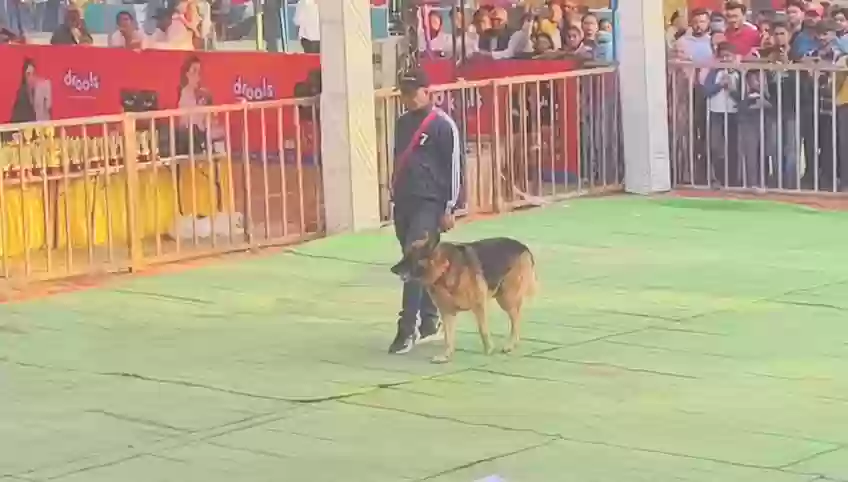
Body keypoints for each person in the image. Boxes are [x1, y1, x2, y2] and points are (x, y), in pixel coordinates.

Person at [388, 69, 461, 355]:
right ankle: (430, 319)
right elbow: (399, 159)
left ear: (427, 92)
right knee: (420, 262)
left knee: (413, 260)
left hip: (430, 203)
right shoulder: (401, 123)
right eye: (404, 93)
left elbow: (454, 167)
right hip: (404, 200)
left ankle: (407, 328)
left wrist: (450, 206)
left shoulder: (443, 125)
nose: (408, 99)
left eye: (413, 93)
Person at [701, 42, 741, 188]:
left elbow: (742, 96)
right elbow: (706, 91)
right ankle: (716, 177)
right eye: (722, 56)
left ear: (734, 57)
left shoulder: (738, 74)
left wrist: (731, 90)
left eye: (728, 56)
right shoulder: (714, 73)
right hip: (716, 113)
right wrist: (720, 85)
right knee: (715, 146)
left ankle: (731, 179)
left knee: (732, 147)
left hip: (733, 114)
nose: (725, 59)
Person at [10, 58, 51, 124]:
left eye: (33, 74)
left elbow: (48, 112)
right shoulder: (21, 94)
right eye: (28, 74)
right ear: (24, 76)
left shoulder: (42, 89)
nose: (31, 77)